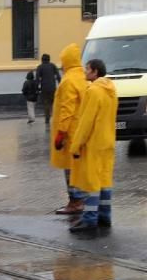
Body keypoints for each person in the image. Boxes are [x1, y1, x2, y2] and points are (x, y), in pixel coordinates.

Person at [68, 59, 117, 232]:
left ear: (95, 72)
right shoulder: (111, 90)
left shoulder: (93, 91)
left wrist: (75, 146)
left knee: (92, 183)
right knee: (104, 181)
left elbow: (86, 122)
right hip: (108, 141)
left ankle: (89, 220)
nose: (85, 72)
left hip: (94, 144)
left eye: (87, 69)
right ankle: (105, 216)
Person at [50, 44, 89, 215]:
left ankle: (75, 202)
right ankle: (83, 199)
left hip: (70, 134)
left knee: (71, 168)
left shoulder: (68, 81)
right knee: (80, 167)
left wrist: (60, 134)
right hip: (82, 131)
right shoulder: (83, 77)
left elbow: (67, 110)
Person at [36, 53, 61, 124]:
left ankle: (47, 118)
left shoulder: (40, 67)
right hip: (53, 87)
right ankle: (56, 117)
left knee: (46, 103)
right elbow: (58, 76)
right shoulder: (53, 66)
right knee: (54, 103)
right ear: (49, 59)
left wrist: (37, 88)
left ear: (42, 60)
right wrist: (60, 85)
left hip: (44, 88)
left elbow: (37, 79)